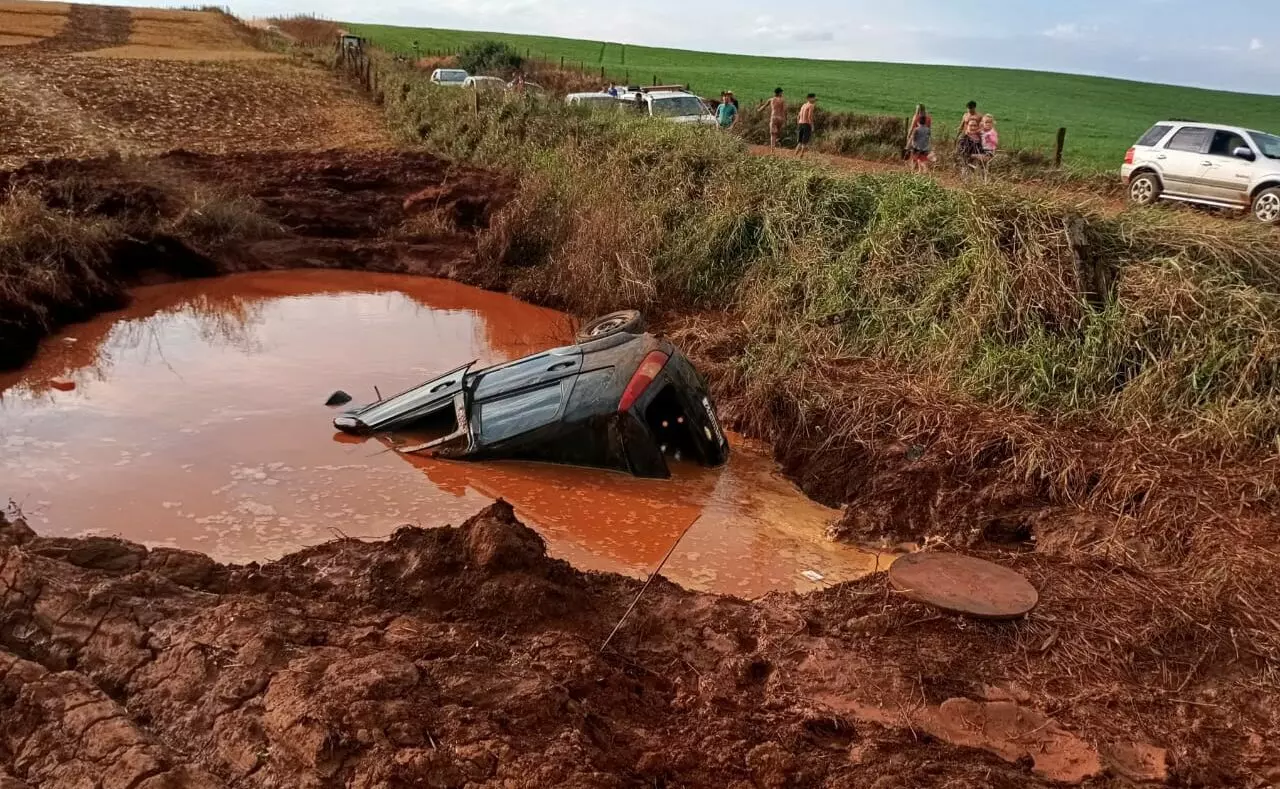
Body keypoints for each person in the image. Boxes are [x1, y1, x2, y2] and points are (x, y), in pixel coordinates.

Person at [907, 104, 932, 172]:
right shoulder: (928, 117)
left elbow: (912, 127)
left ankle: (913, 170)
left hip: (916, 136)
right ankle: (919, 171)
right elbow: (929, 129)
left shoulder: (916, 117)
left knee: (914, 155)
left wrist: (909, 136)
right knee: (922, 156)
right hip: (925, 138)